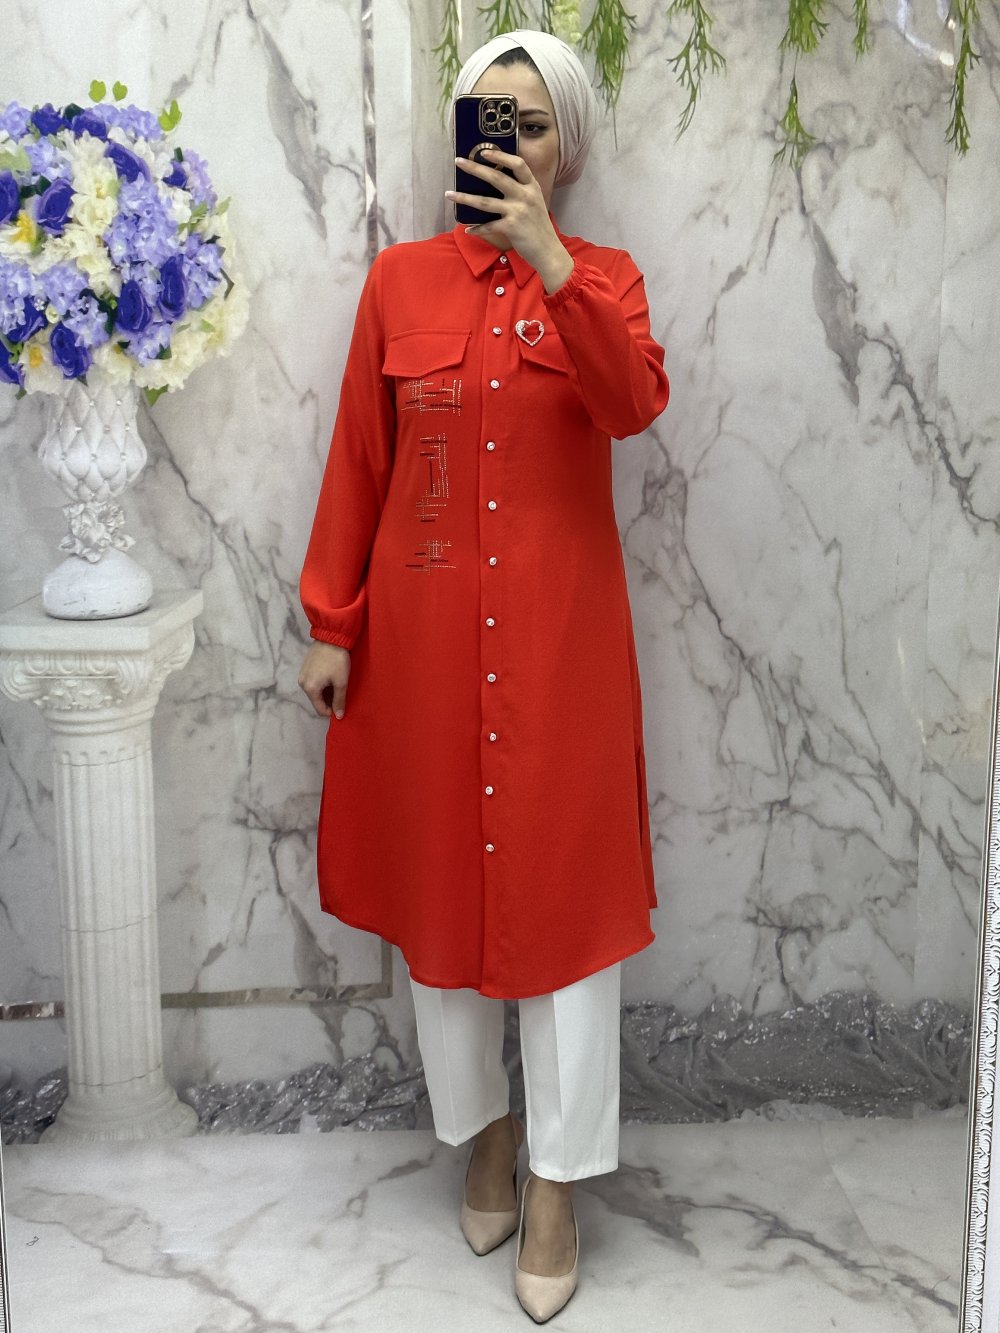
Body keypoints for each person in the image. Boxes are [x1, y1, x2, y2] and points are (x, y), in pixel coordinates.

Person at [298, 28, 668, 1324]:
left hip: (562, 659)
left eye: (531, 120)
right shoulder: (400, 283)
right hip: (420, 657)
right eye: (485, 116)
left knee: (568, 917)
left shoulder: (604, 281)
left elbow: (633, 404)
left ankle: (558, 1181)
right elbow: (361, 456)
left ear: (567, 148)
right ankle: (487, 1135)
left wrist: (551, 263)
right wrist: (332, 622)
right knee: (440, 906)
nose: (508, 139)